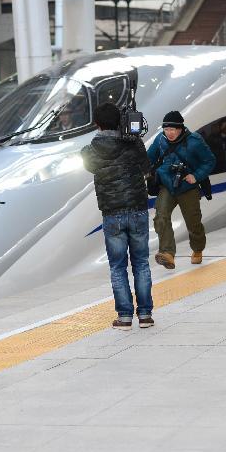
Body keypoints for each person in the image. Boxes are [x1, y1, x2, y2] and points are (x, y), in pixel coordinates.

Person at [81, 103, 154, 330]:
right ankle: (145, 315)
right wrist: (131, 139)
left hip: (112, 214)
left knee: (117, 266)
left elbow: (89, 164)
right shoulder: (134, 144)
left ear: (97, 124)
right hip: (138, 209)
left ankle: (124, 317)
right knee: (141, 263)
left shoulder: (90, 151)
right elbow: (146, 169)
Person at [148, 111, 216, 269]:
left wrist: (196, 175)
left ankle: (198, 248)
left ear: (181, 128)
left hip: (188, 186)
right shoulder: (160, 139)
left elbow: (210, 160)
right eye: (166, 129)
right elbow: (148, 159)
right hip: (167, 185)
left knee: (193, 223)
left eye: (173, 129)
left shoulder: (194, 140)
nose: (169, 133)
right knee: (160, 216)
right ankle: (167, 253)